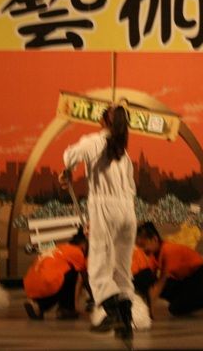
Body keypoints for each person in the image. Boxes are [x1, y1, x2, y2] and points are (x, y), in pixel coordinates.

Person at [59, 105, 136, 346]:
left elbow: (69, 155)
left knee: (98, 267)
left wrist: (68, 170)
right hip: (128, 213)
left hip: (105, 207)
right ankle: (126, 325)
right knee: (122, 270)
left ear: (105, 121)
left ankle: (113, 315)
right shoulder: (124, 154)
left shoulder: (95, 141)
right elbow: (131, 188)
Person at [136, 222, 203, 317]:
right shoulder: (153, 256)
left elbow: (160, 284)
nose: (142, 250)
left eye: (143, 246)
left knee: (175, 309)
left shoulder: (168, 250)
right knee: (143, 277)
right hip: (184, 279)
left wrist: (149, 312)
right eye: (139, 247)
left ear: (154, 239)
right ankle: (184, 300)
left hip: (199, 274)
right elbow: (152, 283)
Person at [23, 230, 88, 321]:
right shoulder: (77, 252)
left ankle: (36, 303)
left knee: (60, 275)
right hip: (47, 282)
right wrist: (76, 305)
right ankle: (64, 308)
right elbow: (83, 279)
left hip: (29, 284)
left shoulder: (59, 247)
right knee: (73, 273)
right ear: (83, 244)